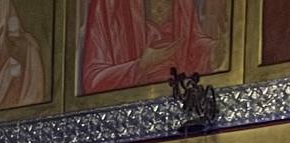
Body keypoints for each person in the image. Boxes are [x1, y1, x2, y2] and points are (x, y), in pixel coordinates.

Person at [81, 0, 219, 95]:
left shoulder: (182, 3)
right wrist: (141, 65)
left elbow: (193, 43)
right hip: (135, 104)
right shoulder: (108, 5)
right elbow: (93, 80)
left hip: (181, 96)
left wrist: (214, 50)